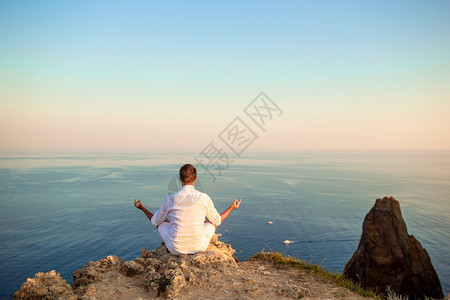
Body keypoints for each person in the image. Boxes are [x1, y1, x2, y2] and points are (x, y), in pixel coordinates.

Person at [134, 163, 241, 255]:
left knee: (161, 222)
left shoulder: (170, 199)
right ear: (195, 178)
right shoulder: (204, 197)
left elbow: (155, 221)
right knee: (213, 221)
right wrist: (231, 208)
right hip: (199, 247)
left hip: (175, 249)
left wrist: (142, 208)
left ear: (180, 179)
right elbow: (217, 221)